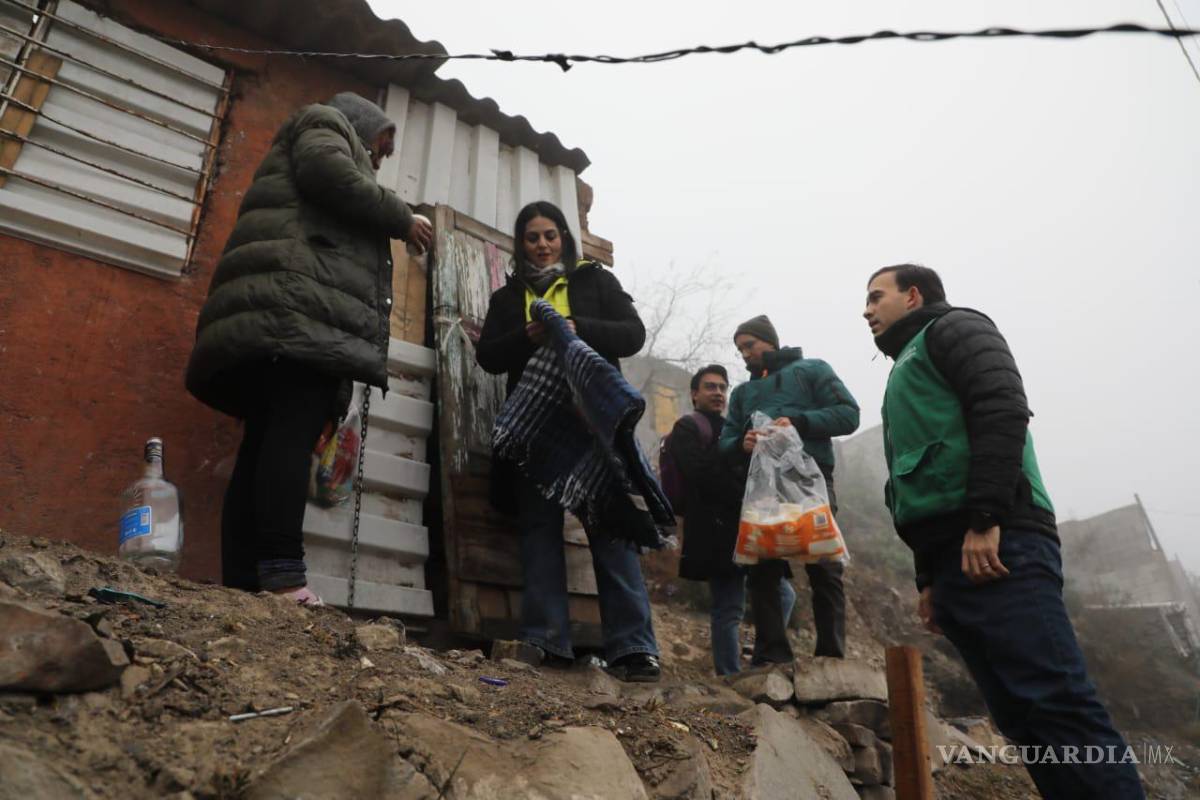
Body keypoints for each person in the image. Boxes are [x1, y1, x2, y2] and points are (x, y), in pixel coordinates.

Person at [865, 264, 1144, 799]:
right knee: (1021, 716)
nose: (867, 309)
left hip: (1000, 541)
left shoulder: (955, 329)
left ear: (914, 295)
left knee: (1056, 703)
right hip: (955, 557)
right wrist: (929, 580)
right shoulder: (907, 365)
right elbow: (915, 481)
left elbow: (1002, 409)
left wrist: (987, 518)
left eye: (877, 297)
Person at [186, 93, 432, 604]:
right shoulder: (324, 124)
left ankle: (245, 584)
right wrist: (401, 217)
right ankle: (281, 575)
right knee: (285, 441)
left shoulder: (321, 147)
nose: (379, 162)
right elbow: (329, 173)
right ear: (362, 125)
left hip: (286, 315)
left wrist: (336, 397)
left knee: (264, 444)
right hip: (291, 313)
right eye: (380, 148)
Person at [475, 200, 661, 682]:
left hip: (595, 425)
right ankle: (546, 640)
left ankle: (634, 648)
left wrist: (579, 330)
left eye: (550, 235)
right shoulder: (507, 297)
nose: (541, 245)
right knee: (538, 532)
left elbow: (633, 334)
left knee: (611, 528)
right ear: (521, 245)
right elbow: (489, 357)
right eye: (532, 237)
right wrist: (529, 337)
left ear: (564, 239)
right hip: (536, 429)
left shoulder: (594, 282)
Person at [719, 315, 859, 664]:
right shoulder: (742, 393)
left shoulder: (811, 370)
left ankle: (831, 654)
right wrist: (742, 442)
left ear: (771, 341)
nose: (745, 355)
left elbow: (848, 414)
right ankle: (771, 655)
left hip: (809, 477)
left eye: (749, 345)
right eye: (740, 350)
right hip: (763, 484)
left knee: (824, 562)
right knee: (762, 564)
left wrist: (798, 422)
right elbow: (724, 443)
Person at [670, 364, 796, 675]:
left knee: (783, 593)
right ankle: (729, 676)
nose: (718, 393)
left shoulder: (732, 429)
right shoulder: (688, 427)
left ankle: (759, 659)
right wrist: (738, 463)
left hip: (747, 526)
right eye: (710, 387)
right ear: (694, 394)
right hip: (715, 531)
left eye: (722, 387)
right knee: (728, 606)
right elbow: (697, 473)